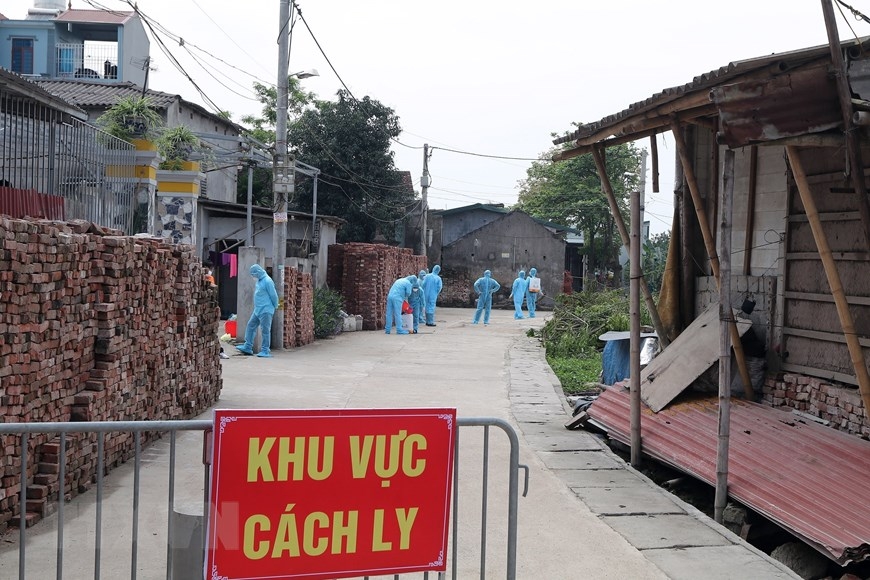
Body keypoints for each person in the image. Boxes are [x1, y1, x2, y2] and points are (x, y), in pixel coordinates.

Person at [236, 264, 279, 357]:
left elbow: (273, 295)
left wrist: (275, 305)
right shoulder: (259, 281)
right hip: (258, 309)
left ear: (258, 272)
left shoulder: (268, 281)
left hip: (266, 309)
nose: (253, 276)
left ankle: (265, 350)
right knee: (250, 325)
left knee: (265, 330)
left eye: (254, 274)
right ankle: (248, 346)